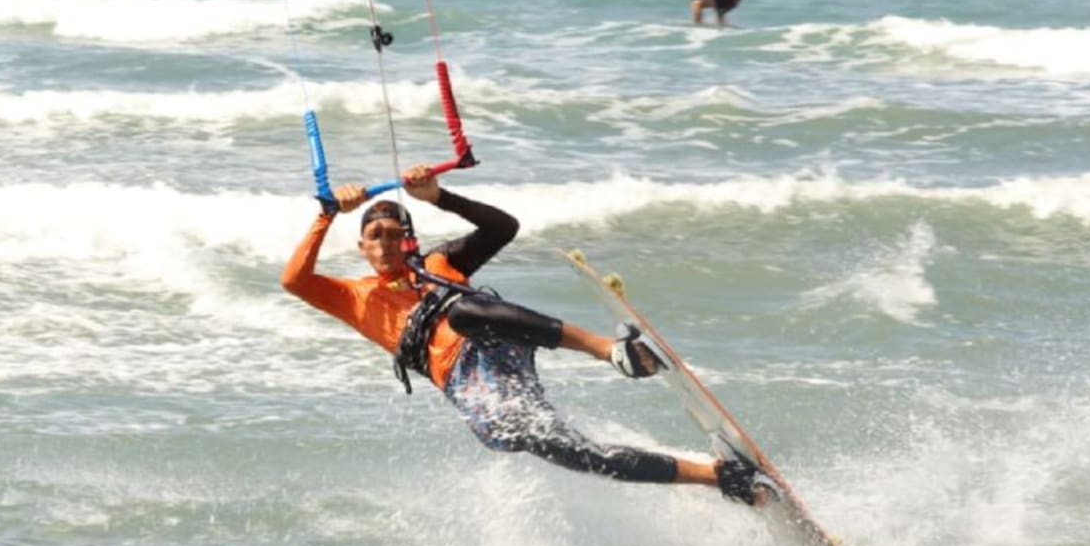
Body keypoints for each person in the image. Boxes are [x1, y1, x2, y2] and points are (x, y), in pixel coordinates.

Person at [280, 163, 776, 506]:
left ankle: (610, 351)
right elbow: (294, 281)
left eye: (394, 234)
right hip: (469, 387)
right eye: (375, 236)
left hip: (495, 342)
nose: (386, 243)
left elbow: (503, 228)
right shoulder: (352, 296)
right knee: (573, 452)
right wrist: (327, 214)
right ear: (363, 246)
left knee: (463, 313)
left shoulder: (437, 263)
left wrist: (437, 197)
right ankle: (719, 479)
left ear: (408, 239)